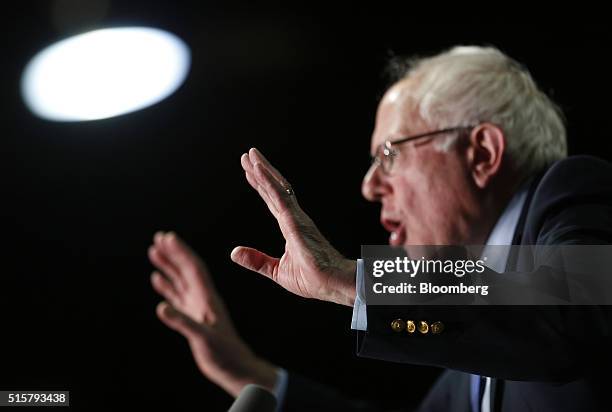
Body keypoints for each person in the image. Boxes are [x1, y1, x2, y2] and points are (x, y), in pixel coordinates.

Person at [148, 46, 612, 411]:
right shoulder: (480, 359)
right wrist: (250, 374)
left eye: (389, 154)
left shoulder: (571, 191)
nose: (370, 185)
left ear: (482, 154)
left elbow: (574, 301)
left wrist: (356, 278)